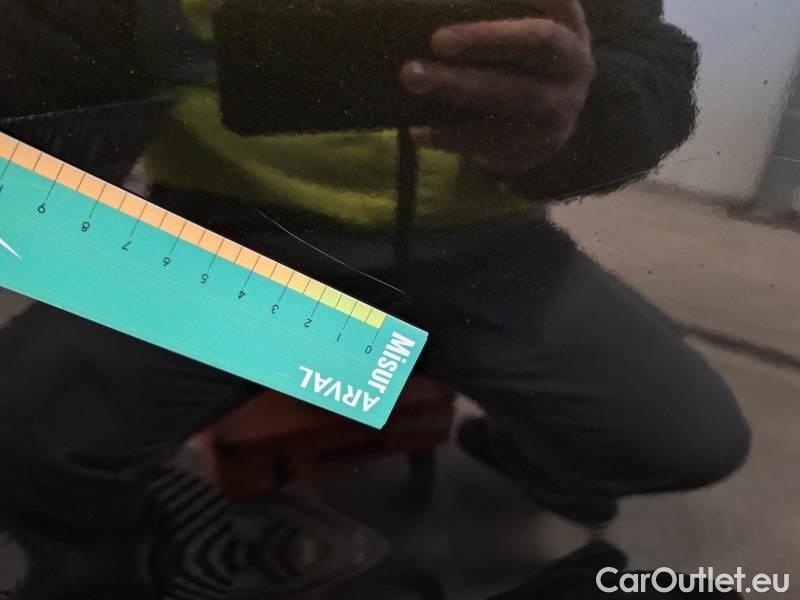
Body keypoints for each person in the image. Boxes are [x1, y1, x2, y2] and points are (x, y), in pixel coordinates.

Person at [0, 0, 751, 598]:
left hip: (485, 250)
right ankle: (111, 553)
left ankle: (511, 464)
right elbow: (46, 74)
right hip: (232, 240)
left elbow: (647, 55)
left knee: (689, 441)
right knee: (25, 422)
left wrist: (586, 118)